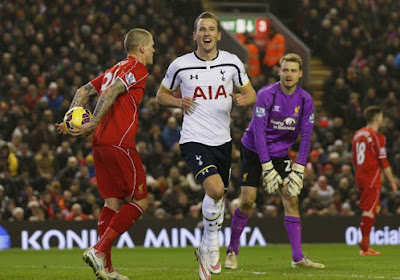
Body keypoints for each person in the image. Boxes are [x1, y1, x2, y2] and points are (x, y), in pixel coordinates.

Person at [156, 11, 256, 280]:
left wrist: (245, 99)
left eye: (211, 29)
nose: (207, 33)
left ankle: (206, 246)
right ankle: (211, 245)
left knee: (220, 193)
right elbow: (160, 95)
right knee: (214, 189)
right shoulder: (180, 65)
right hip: (193, 138)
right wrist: (179, 102)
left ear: (219, 35)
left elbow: (251, 92)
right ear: (195, 35)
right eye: (202, 29)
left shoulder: (232, 63)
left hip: (223, 140)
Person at [55, 28, 155, 280]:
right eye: (152, 45)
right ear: (141, 47)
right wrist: (89, 123)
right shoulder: (138, 69)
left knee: (112, 201)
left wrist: (70, 120)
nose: (154, 49)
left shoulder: (113, 69)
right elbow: (110, 93)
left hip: (100, 144)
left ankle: (106, 268)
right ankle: (99, 250)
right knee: (140, 201)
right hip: (120, 142)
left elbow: (82, 92)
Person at [225, 53, 325, 270]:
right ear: (279, 71)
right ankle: (232, 250)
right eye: (285, 70)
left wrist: (299, 168)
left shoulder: (306, 100)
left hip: (280, 153)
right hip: (253, 149)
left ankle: (298, 257)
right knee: (247, 201)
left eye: (293, 71)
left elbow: (307, 136)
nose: (288, 74)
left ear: (300, 73)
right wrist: (266, 166)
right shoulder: (265, 94)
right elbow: (259, 133)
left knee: (292, 198)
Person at [351, 106, 398, 256]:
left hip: (360, 175)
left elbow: (353, 159)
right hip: (371, 177)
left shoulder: (357, 134)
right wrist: (392, 181)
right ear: (377, 118)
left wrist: (358, 174)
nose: (382, 119)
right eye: (381, 116)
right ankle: (364, 246)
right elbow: (383, 162)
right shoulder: (377, 137)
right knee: (370, 209)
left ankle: (366, 244)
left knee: (375, 207)